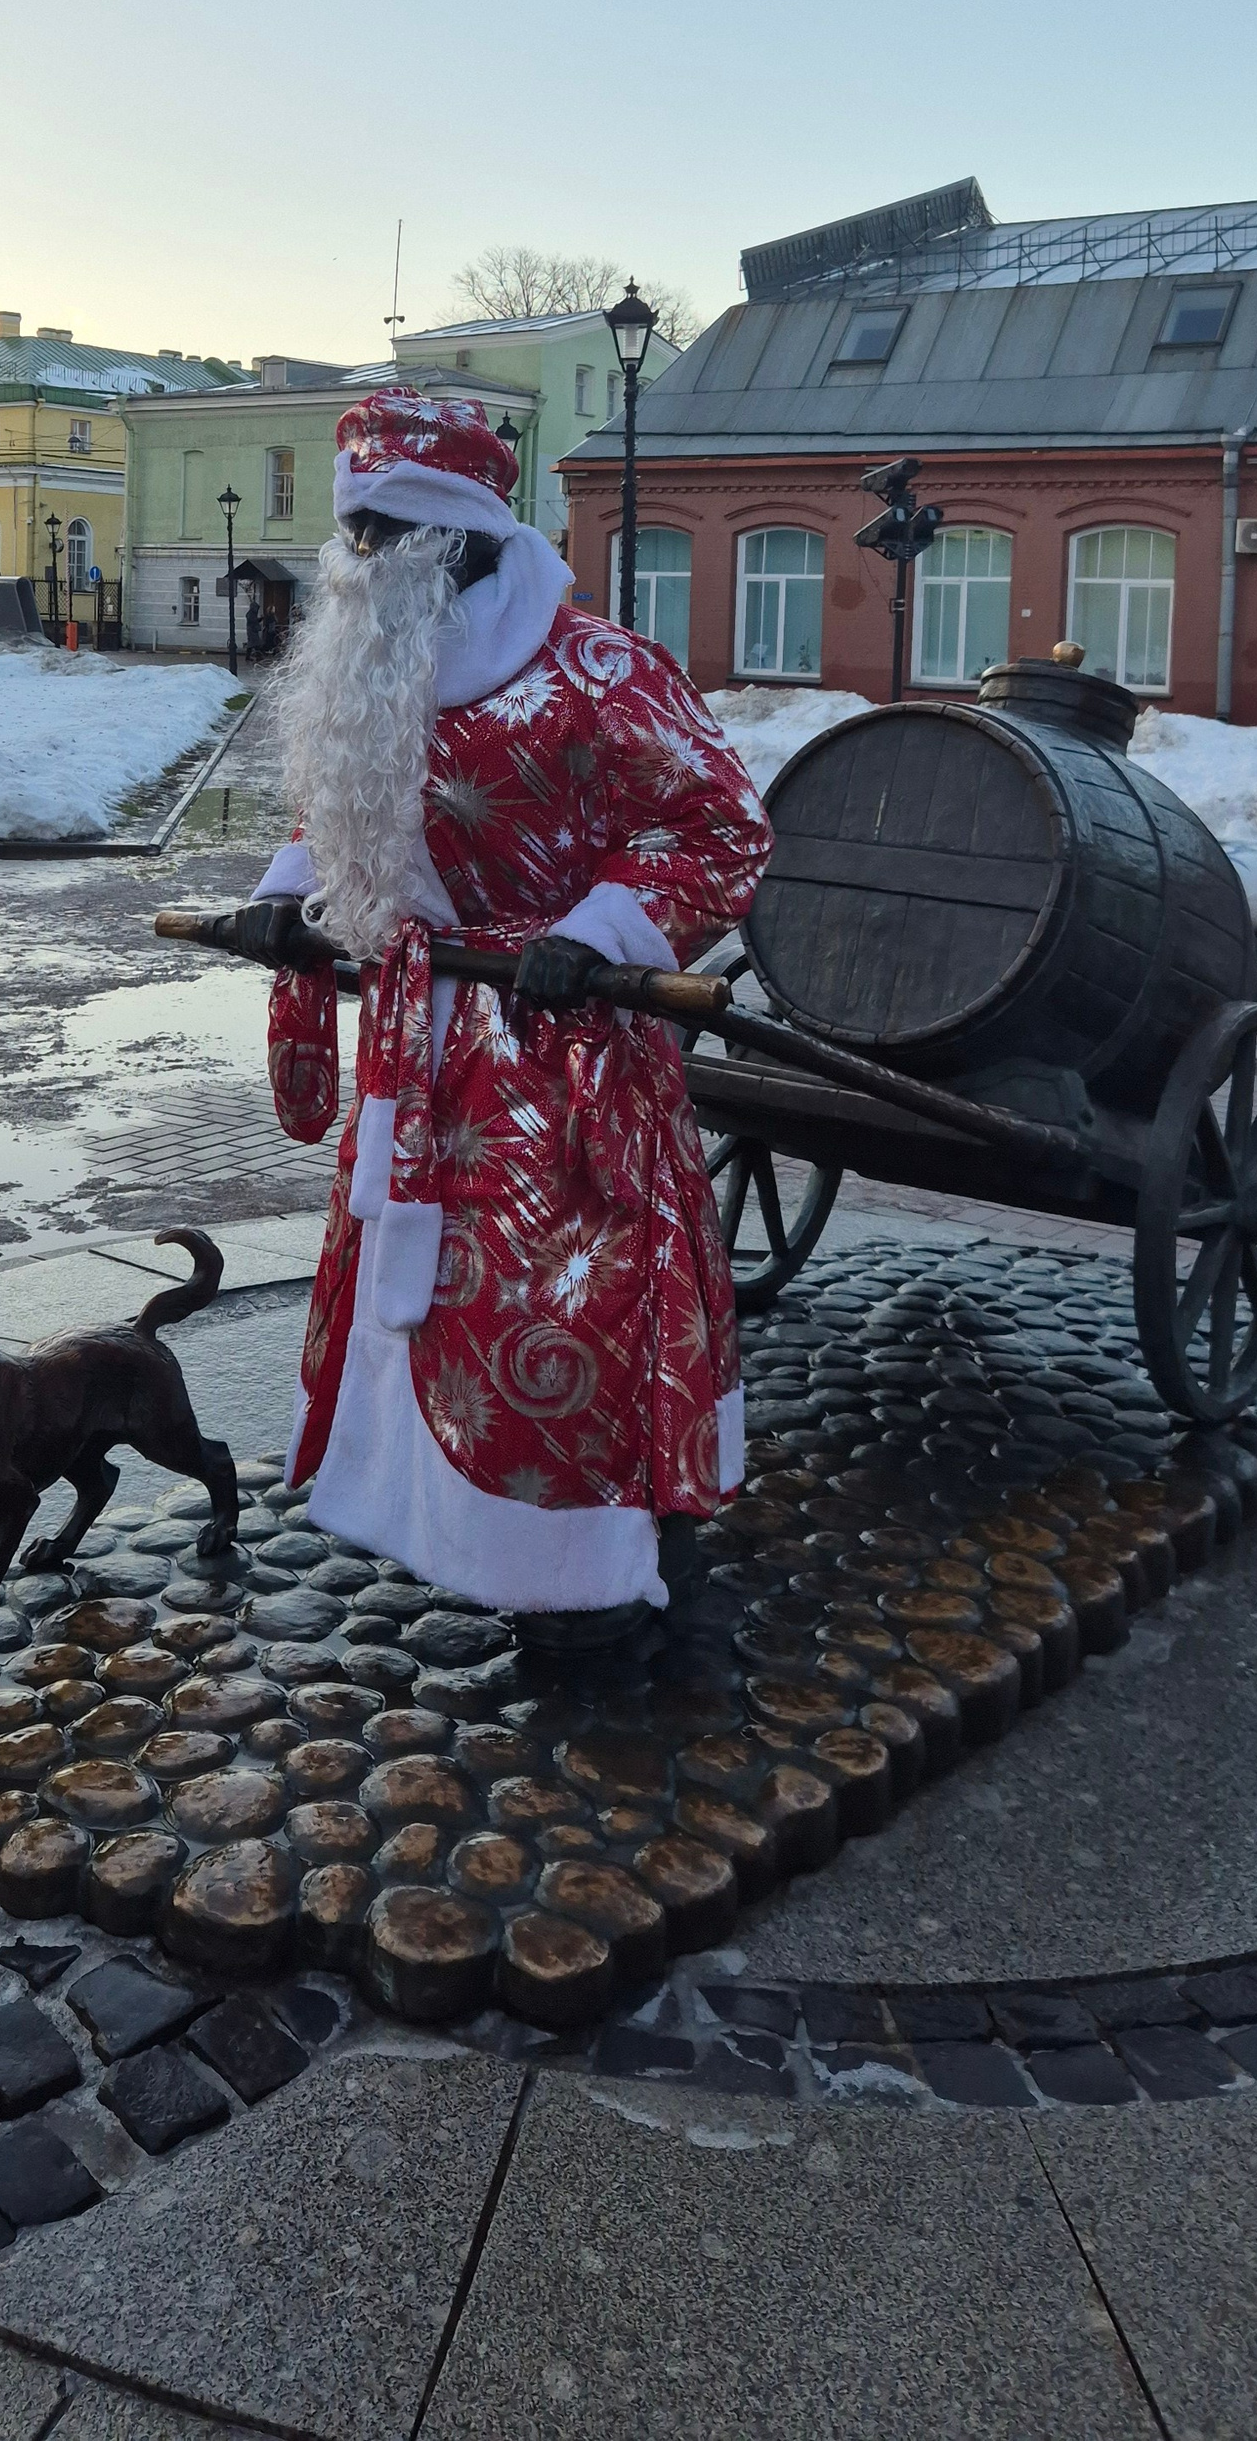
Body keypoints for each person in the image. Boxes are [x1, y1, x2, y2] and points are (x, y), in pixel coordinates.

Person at [221, 386, 772, 1637]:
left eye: (383, 536)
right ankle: (444, 1518)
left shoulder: (597, 668)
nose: (356, 564)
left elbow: (722, 826)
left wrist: (600, 930)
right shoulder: (378, 662)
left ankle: (589, 1563)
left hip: (556, 1053)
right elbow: (340, 813)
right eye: (349, 537)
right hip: (422, 1040)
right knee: (431, 1308)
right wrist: (292, 892)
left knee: (557, 1299)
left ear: (454, 536)